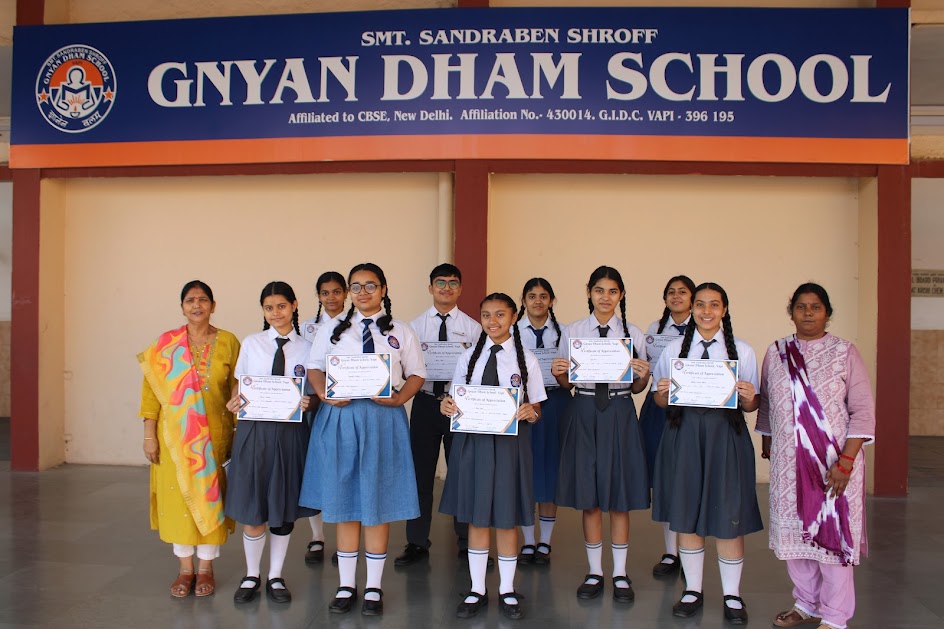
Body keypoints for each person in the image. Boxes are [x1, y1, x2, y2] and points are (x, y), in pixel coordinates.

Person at [299, 263, 424, 616]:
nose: (363, 292)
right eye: (356, 286)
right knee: (345, 502)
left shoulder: (401, 330)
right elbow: (314, 367)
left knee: (377, 501)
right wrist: (324, 394)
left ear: (383, 289)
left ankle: (373, 588)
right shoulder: (332, 328)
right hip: (341, 418)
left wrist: (400, 399)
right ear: (349, 292)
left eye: (371, 285)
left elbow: (417, 373)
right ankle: (346, 585)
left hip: (383, 419)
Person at [757, 283, 875, 629]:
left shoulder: (844, 352)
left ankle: (835, 617)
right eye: (801, 307)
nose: (808, 313)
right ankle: (806, 604)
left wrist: (846, 462)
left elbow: (863, 410)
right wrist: (769, 442)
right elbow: (767, 403)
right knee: (797, 538)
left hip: (833, 466)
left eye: (816, 307)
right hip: (788, 465)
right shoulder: (777, 351)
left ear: (827, 313)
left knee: (831, 537)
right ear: (791, 312)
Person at [651, 282, 762, 624]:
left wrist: (749, 396)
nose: (706, 311)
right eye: (700, 304)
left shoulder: (743, 350)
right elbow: (659, 401)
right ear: (692, 308)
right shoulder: (673, 350)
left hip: (726, 437)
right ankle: (692, 590)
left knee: (729, 516)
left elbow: (752, 405)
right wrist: (662, 392)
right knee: (687, 513)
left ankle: (732, 595)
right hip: (684, 436)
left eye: (714, 304)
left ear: (724, 310)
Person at [439, 293, 547, 620]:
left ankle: (507, 590)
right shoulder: (468, 356)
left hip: (511, 446)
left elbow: (537, 407)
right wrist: (446, 405)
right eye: (486, 315)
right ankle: (477, 589)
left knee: (506, 516)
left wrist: (530, 412)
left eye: (500, 314)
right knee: (477, 516)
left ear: (513, 317)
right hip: (474, 443)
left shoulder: (526, 359)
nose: (493, 321)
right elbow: (455, 398)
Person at [553, 266, 652, 602]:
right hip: (583, 409)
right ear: (589, 292)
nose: (605, 297)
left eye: (612, 291)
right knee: (590, 496)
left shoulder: (633, 333)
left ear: (621, 295)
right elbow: (566, 384)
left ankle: (620, 574)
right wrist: (560, 373)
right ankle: (595, 571)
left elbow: (637, 388)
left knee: (619, 497)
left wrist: (643, 376)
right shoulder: (573, 331)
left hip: (620, 410)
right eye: (599, 290)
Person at [138, 280, 239, 598]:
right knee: (178, 500)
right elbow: (151, 393)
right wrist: (149, 435)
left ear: (213, 305)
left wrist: (241, 426)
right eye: (190, 300)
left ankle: (206, 568)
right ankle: (185, 569)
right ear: (182, 307)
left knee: (211, 497)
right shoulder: (165, 345)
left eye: (203, 299)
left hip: (215, 435)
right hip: (173, 438)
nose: (197, 305)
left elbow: (238, 385)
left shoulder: (229, 341)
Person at [225, 282, 316, 604]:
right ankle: (252, 574)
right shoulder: (253, 343)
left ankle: (276, 575)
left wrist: (309, 402)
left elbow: (316, 391)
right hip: (254, 433)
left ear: (294, 305)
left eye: (281, 306)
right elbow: (240, 385)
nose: (275, 313)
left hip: (290, 435)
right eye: (268, 307)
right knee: (254, 508)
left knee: (283, 507)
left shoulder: (309, 348)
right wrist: (235, 401)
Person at [396, 264, 482, 567]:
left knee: (462, 473)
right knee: (420, 475)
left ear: (460, 289)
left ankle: (467, 541)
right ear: (430, 287)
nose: (446, 288)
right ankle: (416, 542)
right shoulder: (413, 327)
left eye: (453, 283)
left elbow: (479, 369)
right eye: (440, 282)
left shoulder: (474, 328)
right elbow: (403, 368)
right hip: (425, 402)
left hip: (460, 406)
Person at [638, 275, 696, 578]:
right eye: (671, 292)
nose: (676, 296)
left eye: (682, 292)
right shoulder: (654, 331)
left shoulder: (704, 330)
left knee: (688, 478)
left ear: (693, 298)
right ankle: (671, 552)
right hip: (658, 408)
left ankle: (690, 552)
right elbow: (647, 374)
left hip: (692, 410)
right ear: (665, 298)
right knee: (663, 477)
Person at [514, 278, 570, 566]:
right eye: (532, 296)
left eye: (543, 296)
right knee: (525, 469)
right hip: (522, 406)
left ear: (552, 300)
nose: (538, 301)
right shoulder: (512, 332)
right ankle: (527, 541)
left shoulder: (565, 334)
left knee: (550, 469)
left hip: (557, 403)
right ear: (523, 300)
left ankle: (545, 541)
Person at [300, 271, 349, 565]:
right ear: (318, 296)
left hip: (344, 403)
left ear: (346, 293)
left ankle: (345, 539)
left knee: (342, 469)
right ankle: (317, 536)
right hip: (311, 403)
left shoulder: (357, 325)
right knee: (316, 468)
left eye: (336, 291)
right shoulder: (306, 329)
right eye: (325, 292)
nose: (331, 297)